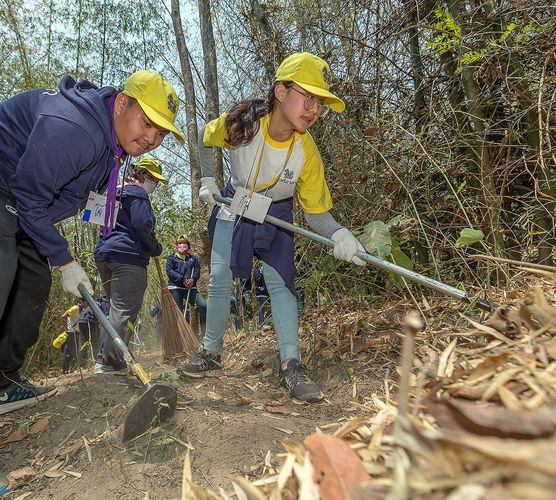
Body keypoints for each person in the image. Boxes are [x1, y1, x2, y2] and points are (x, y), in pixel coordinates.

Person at [0, 72, 183, 499]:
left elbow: (46, 201)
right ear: (123, 102)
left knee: (32, 277)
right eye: (147, 123)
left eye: (161, 132)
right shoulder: (73, 128)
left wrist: (53, 254)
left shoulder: (109, 145)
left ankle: (0, 379)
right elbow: (31, 195)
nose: (152, 138)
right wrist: (66, 258)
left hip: (10, 193)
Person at [178, 53, 366, 404]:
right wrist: (207, 178)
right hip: (234, 201)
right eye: (307, 97)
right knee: (219, 276)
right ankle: (210, 353)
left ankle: (291, 364)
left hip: (277, 211)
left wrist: (339, 234)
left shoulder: (307, 152)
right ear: (280, 92)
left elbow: (317, 214)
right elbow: (206, 137)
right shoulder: (242, 122)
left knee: (281, 282)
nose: (314, 109)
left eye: (320, 104)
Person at [93, 157, 166, 373]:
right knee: (123, 311)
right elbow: (143, 224)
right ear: (142, 174)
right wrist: (155, 247)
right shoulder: (137, 193)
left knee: (115, 311)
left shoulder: (112, 190)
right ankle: (111, 362)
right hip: (128, 257)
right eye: (154, 179)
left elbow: (99, 221)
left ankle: (103, 357)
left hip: (104, 255)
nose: (156, 185)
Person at [165, 235, 207, 334]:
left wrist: (193, 279)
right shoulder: (171, 258)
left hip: (190, 289)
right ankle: (178, 339)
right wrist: (183, 279)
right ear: (176, 246)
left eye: (184, 243)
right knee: (177, 313)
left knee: (203, 306)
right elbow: (169, 271)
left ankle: (205, 336)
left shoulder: (193, 259)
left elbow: (197, 271)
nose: (182, 245)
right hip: (176, 288)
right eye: (180, 243)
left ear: (188, 245)